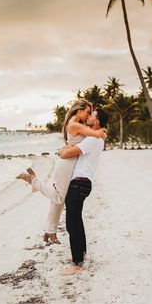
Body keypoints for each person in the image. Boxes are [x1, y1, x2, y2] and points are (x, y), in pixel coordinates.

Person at [16, 100, 106, 243]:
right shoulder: (75, 124)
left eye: (90, 114)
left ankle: (50, 231)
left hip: (70, 162)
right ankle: (32, 179)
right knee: (58, 198)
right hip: (67, 163)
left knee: (58, 198)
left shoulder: (78, 124)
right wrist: (102, 132)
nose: (88, 115)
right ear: (79, 111)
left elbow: (86, 138)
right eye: (87, 112)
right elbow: (97, 134)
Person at [58, 108, 108, 276]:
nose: (88, 117)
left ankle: (77, 264)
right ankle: (81, 254)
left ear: (96, 122)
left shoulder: (92, 141)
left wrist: (62, 150)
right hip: (83, 182)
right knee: (76, 220)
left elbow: (66, 154)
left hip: (79, 183)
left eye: (92, 115)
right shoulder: (95, 138)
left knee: (72, 222)